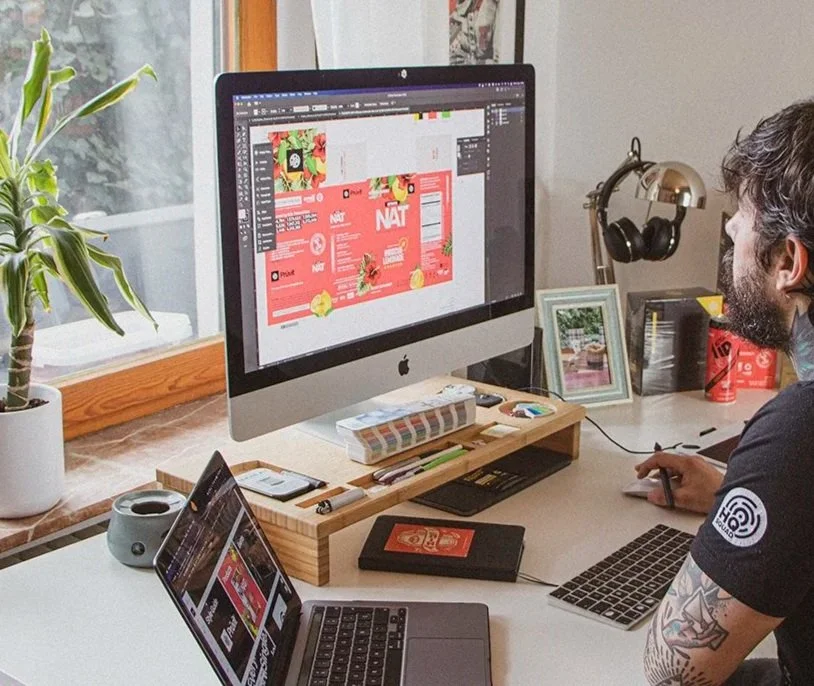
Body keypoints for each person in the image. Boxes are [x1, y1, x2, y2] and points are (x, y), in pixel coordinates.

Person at [638, 99, 814, 686]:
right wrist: (735, 498)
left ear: (789, 260)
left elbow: (673, 671)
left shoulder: (801, 432)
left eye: (743, 215)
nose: (732, 229)